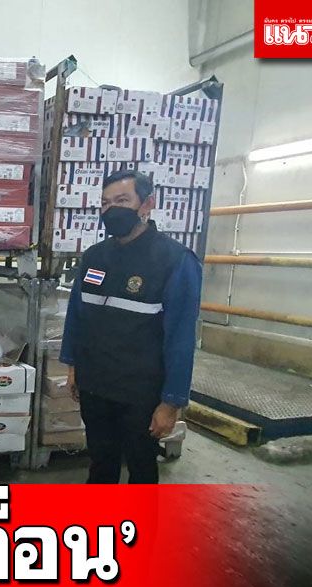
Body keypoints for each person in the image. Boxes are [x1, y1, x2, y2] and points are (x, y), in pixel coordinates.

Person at [59, 169, 201, 484]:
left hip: (140, 393)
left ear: (147, 204)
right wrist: (73, 366)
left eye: (122, 200)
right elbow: (77, 316)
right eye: (105, 203)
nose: (112, 210)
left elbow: (181, 338)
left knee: (141, 467)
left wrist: (171, 401)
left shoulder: (175, 260)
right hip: (96, 385)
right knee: (100, 462)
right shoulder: (94, 257)